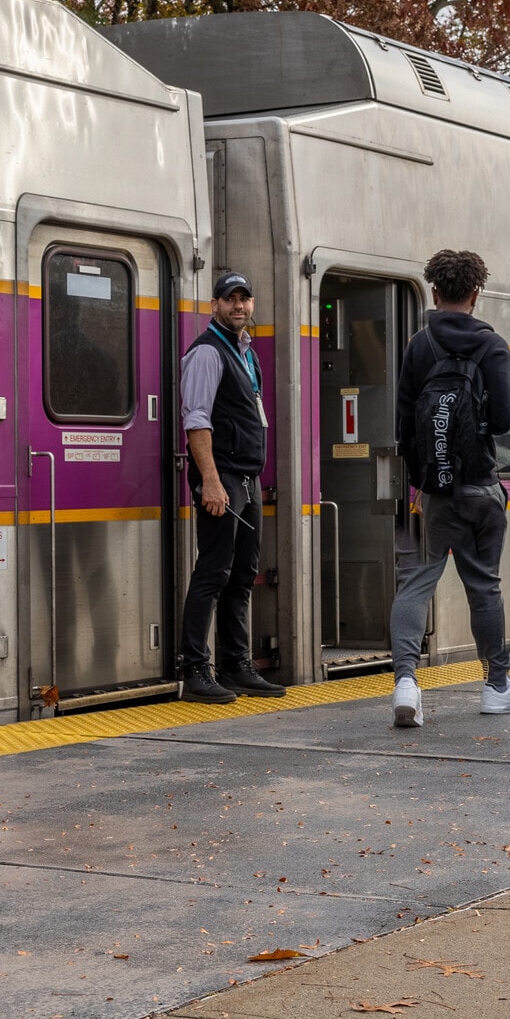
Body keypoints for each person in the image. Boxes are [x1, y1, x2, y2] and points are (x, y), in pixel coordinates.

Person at [389, 249, 510, 727]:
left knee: (417, 583)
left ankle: (406, 683)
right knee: (483, 586)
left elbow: (405, 423)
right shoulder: (493, 346)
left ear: (433, 292)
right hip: (479, 486)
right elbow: (507, 418)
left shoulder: (418, 345)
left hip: (435, 489)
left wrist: (420, 482)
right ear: (476, 293)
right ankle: (496, 686)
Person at [177, 271, 286, 703]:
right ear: (215, 305)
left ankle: (236, 665)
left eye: (245, 298)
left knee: (242, 574)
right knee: (214, 572)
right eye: (229, 299)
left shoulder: (246, 353)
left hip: (247, 478)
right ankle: (195, 669)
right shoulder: (207, 353)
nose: (238, 305)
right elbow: (197, 421)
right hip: (221, 478)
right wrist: (210, 481)